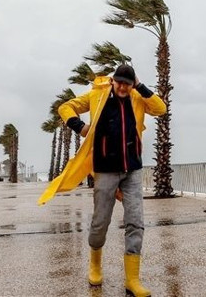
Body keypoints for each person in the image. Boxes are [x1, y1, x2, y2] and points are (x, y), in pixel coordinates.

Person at [38, 64, 166, 297]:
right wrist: (80, 126)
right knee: (100, 222)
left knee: (135, 221)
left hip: (133, 170)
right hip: (105, 170)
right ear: (113, 80)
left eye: (126, 83)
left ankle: (132, 279)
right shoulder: (97, 95)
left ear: (131, 83)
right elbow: (66, 107)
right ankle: (95, 264)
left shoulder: (137, 95)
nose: (122, 87)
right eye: (119, 82)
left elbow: (160, 109)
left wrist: (140, 86)